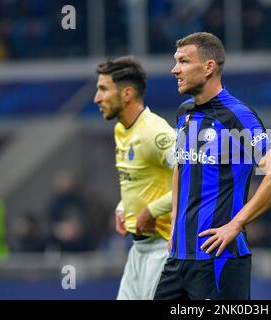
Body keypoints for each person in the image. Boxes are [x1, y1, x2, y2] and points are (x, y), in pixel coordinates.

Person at [153, 32, 271, 300]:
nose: (174, 69)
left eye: (183, 61)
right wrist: (174, 223)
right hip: (179, 258)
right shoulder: (185, 112)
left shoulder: (238, 116)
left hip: (218, 258)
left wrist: (236, 224)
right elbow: (181, 167)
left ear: (208, 67)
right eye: (175, 61)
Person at [94, 56, 176, 299]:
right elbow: (139, 178)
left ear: (127, 93)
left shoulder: (155, 132)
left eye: (103, 89)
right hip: (138, 248)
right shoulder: (121, 129)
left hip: (164, 247)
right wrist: (125, 207)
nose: (97, 98)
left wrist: (151, 210)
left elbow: (195, 177)